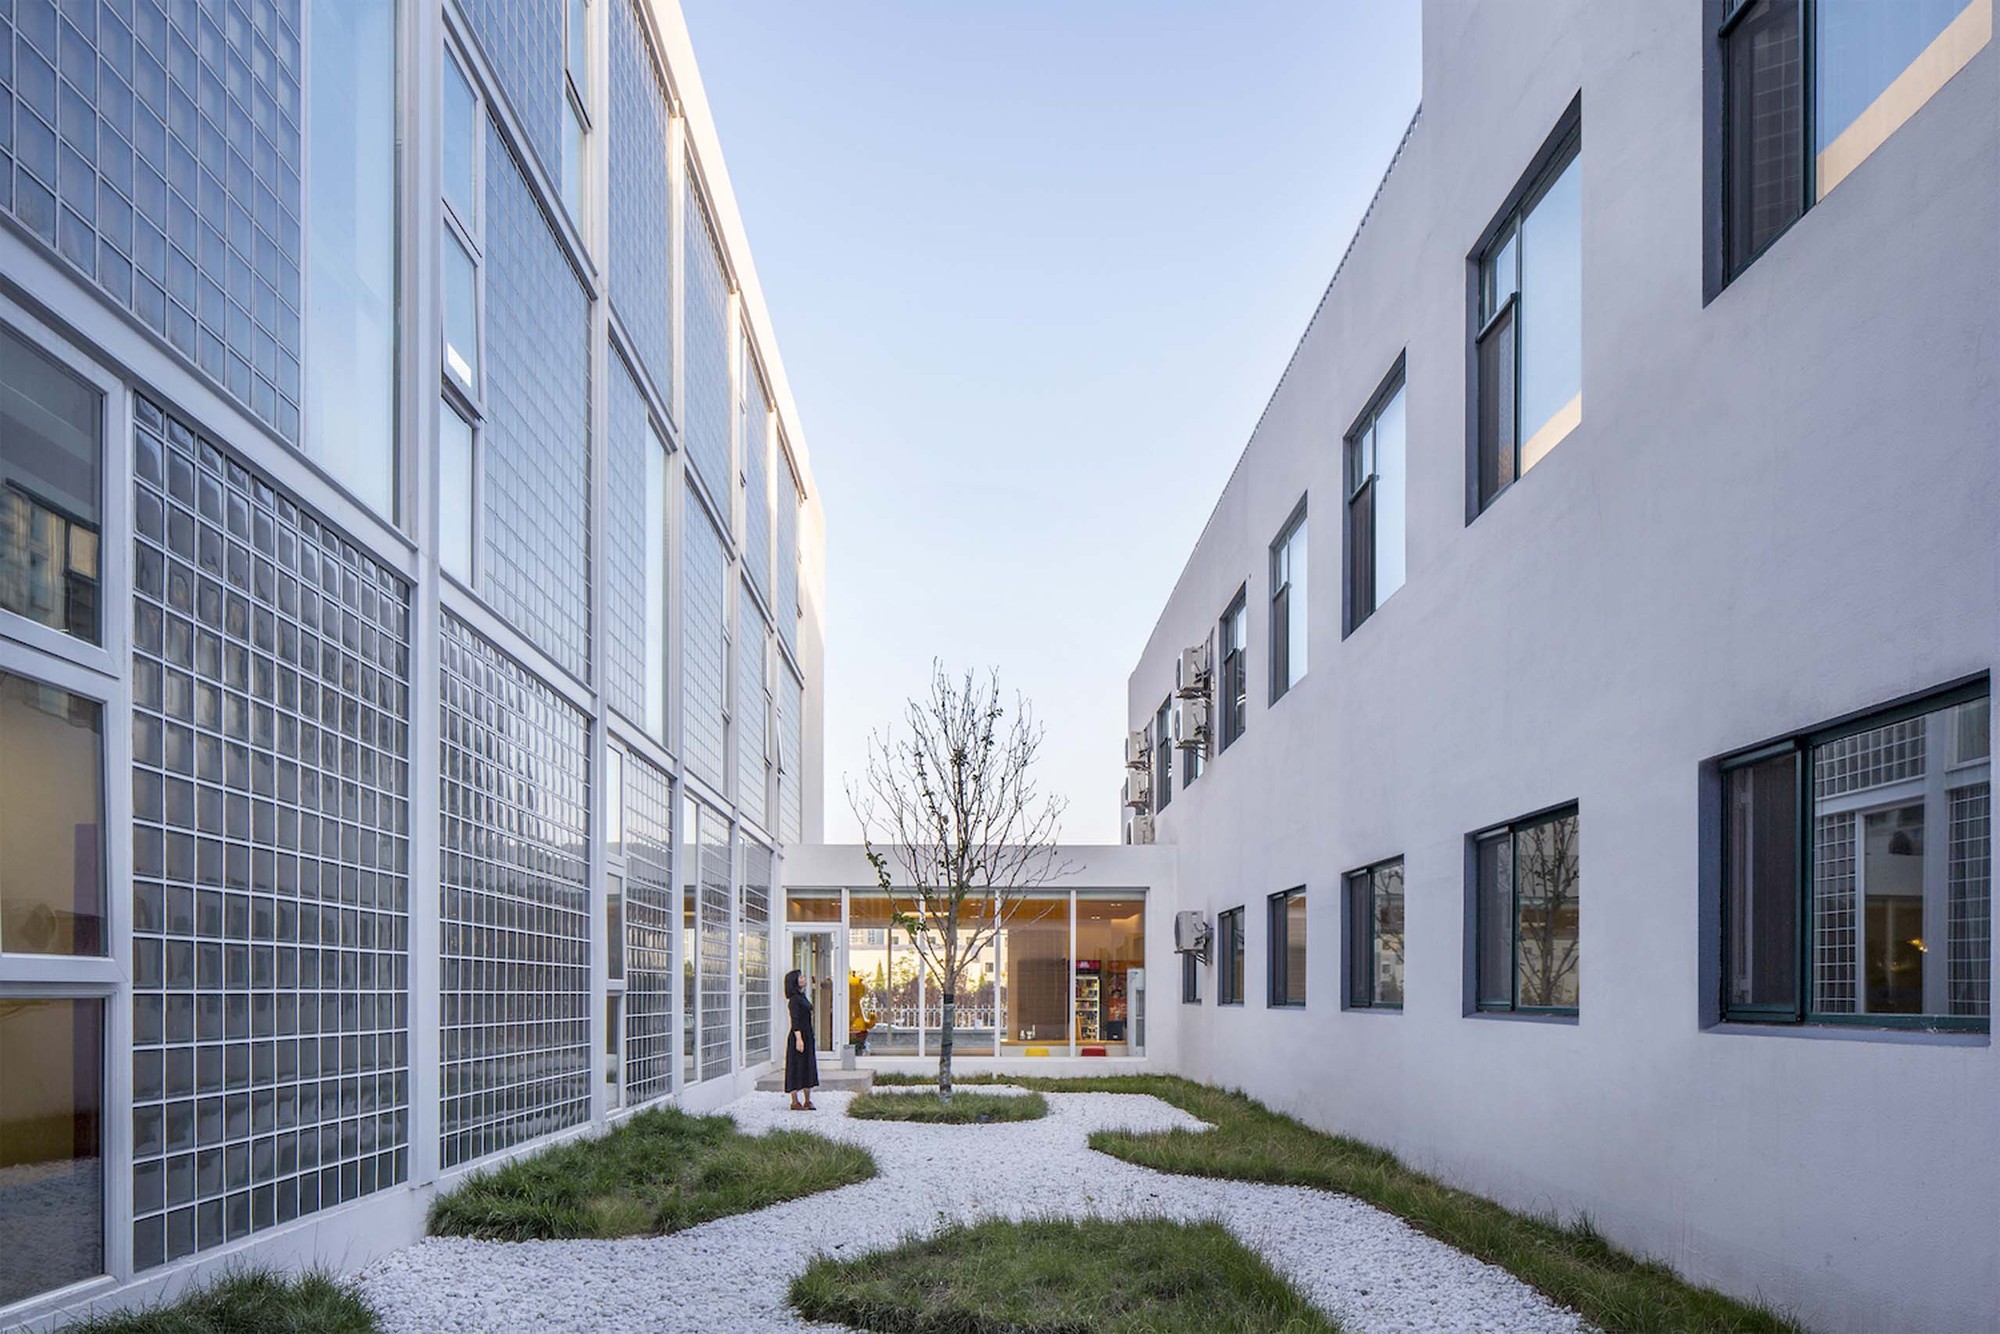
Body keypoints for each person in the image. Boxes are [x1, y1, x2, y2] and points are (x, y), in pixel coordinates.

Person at [783, 968, 819, 1110]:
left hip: (807, 1034)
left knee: (807, 1065)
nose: (804, 978)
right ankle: (794, 1101)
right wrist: (799, 1039)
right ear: (795, 982)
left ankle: (807, 1100)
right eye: (800, 977)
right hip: (799, 1035)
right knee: (796, 1065)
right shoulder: (794, 1000)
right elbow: (795, 1020)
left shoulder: (802, 996)